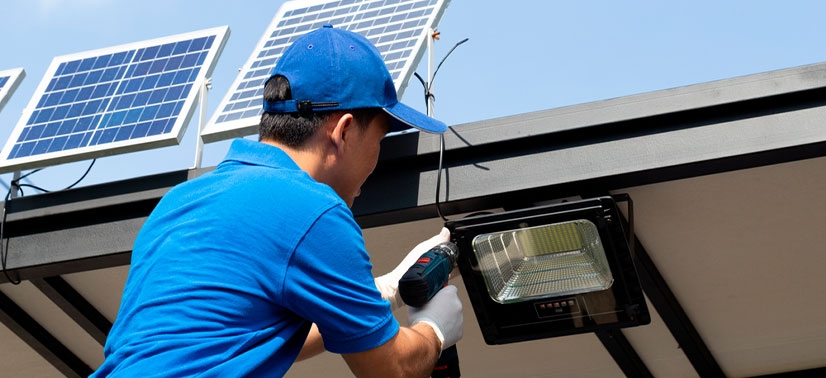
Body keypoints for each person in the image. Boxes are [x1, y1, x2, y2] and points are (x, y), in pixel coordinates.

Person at [92, 24, 463, 377]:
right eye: (378, 142)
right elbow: (393, 369)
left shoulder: (180, 202)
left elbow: (245, 337)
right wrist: (434, 328)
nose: (377, 159)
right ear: (344, 131)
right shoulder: (315, 212)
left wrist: (387, 290)